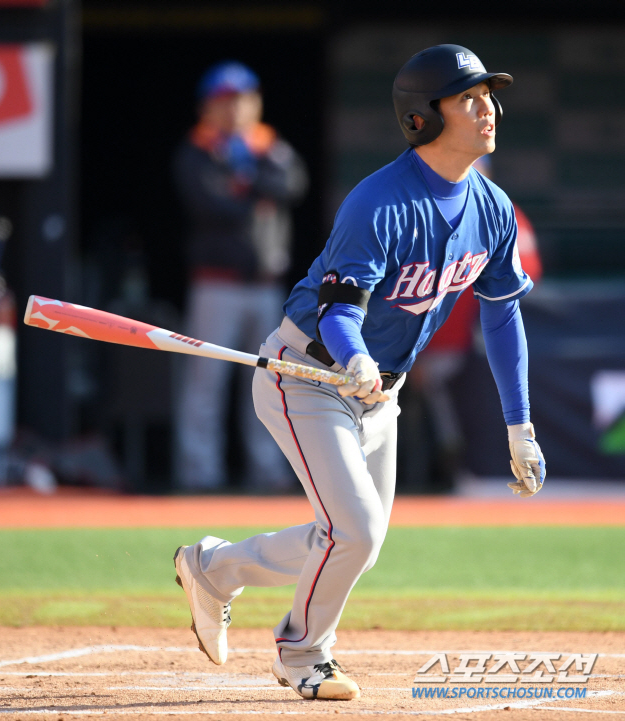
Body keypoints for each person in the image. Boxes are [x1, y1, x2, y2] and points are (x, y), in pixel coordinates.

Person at [173, 44, 547, 700]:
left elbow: (502, 318)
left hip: (379, 392)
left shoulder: (491, 208)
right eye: (469, 98)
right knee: (357, 530)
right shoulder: (379, 202)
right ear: (422, 119)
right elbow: (338, 312)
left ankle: (213, 566)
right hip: (306, 374)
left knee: (353, 540)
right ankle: (301, 652)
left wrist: (520, 425)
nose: (489, 108)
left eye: (489, 94)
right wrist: (356, 359)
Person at [174, 61, 308, 493]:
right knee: (205, 384)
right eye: (224, 101)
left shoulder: (270, 146)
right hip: (217, 283)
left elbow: (292, 186)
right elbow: (213, 205)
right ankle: (199, 473)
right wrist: (255, 188)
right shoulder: (197, 150)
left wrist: (246, 177)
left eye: (243, 99)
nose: (235, 109)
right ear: (207, 107)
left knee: (269, 384)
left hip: (266, 285)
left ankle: (267, 473)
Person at [400, 154, 543, 492]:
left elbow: (527, 280)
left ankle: (452, 469)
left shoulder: (503, 213)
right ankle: (430, 474)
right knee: (420, 403)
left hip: (483, 337)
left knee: (453, 405)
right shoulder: (426, 212)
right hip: (438, 339)